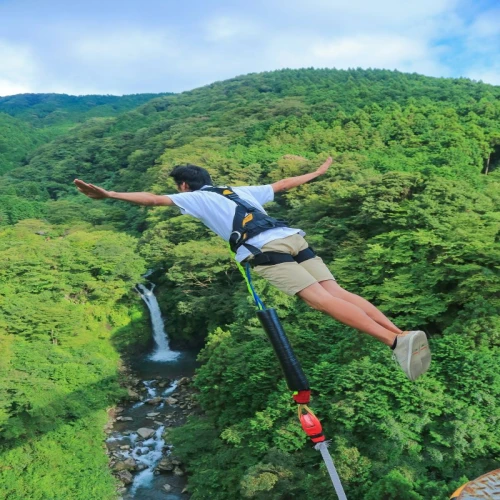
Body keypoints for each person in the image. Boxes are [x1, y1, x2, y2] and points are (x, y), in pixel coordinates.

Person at [74, 157, 431, 381]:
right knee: (337, 292)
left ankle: (394, 341)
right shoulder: (236, 190)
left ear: (184, 185)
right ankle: (401, 333)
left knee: (320, 300)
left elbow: (152, 200)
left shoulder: (193, 197)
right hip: (293, 237)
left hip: (265, 248)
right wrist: (318, 172)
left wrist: (110, 195)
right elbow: (283, 184)